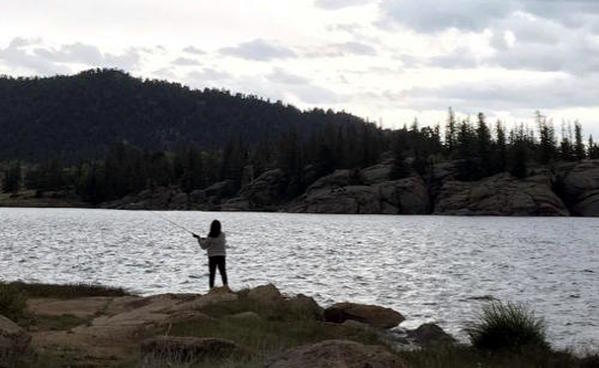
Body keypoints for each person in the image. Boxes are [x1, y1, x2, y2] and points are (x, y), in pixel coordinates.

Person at [192, 220, 228, 289]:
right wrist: (206, 239)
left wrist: (199, 239)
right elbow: (217, 241)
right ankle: (226, 287)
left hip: (212, 257)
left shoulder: (210, 236)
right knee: (223, 272)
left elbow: (203, 246)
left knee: (212, 274)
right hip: (222, 256)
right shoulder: (223, 235)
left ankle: (211, 289)